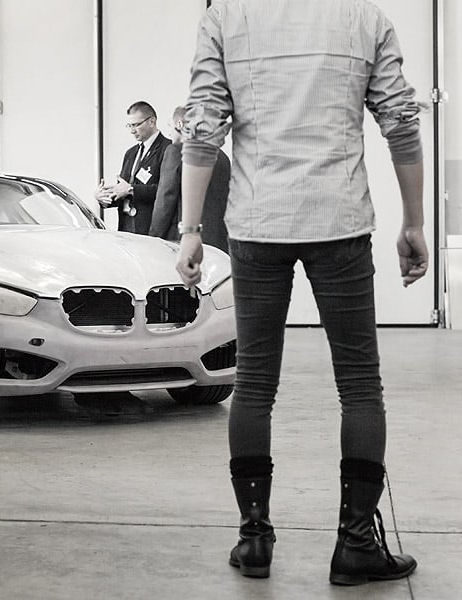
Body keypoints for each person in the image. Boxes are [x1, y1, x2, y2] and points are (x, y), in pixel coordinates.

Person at [176, 0, 428, 586]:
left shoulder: (224, 20)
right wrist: (414, 222)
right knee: (360, 384)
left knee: (256, 384)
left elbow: (203, 126)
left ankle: (254, 538)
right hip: (339, 220)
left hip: (257, 225)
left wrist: (190, 230)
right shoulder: (366, 20)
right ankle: (356, 544)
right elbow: (401, 121)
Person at [148, 105, 231, 251]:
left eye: (169, 126)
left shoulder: (176, 152)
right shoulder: (222, 157)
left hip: (184, 242)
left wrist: (154, 238)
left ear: (179, 124)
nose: (169, 132)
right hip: (218, 244)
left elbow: (166, 199)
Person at [95, 101, 171, 235]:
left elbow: (167, 192)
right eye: (129, 125)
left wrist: (131, 189)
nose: (132, 131)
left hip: (152, 230)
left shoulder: (168, 149)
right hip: (126, 229)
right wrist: (104, 197)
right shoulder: (131, 153)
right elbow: (123, 190)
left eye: (136, 125)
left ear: (152, 121)